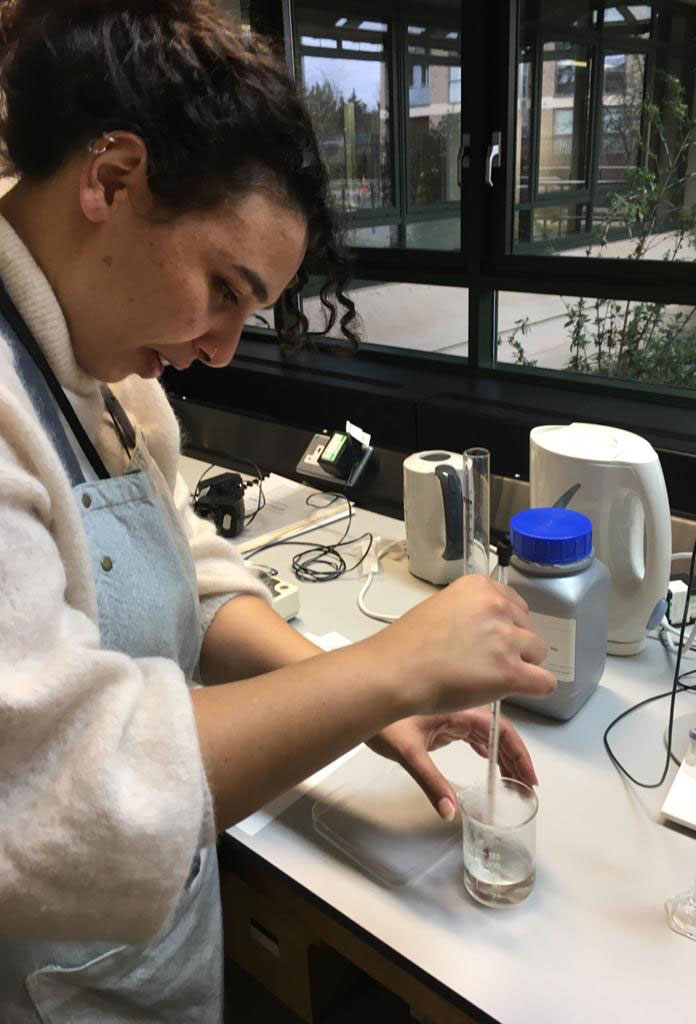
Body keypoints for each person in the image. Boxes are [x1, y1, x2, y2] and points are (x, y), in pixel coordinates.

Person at [0, 1, 556, 1020]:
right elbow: (55, 792)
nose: (220, 347)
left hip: (143, 950)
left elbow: (182, 565)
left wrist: (355, 694)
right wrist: (390, 665)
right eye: (223, 286)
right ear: (111, 182)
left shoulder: (104, 369)